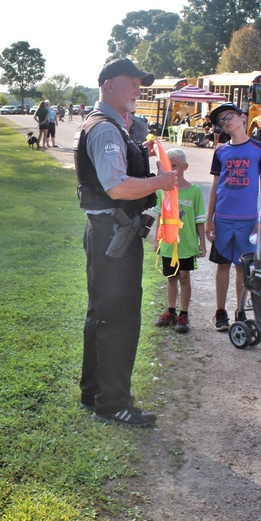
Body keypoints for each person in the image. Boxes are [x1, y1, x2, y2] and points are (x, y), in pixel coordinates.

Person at [75, 58, 178, 427]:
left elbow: (117, 175)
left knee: (102, 315)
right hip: (113, 237)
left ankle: (94, 392)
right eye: (132, 82)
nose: (139, 89)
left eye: (140, 83)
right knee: (118, 319)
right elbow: (117, 187)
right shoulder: (105, 129)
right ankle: (112, 402)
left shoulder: (114, 127)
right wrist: (160, 181)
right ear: (108, 86)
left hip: (110, 234)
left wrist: (143, 162)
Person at [205, 102, 261, 332]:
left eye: (230, 116)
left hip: (248, 220)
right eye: (222, 121)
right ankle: (220, 311)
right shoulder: (221, 151)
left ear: (243, 117)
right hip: (222, 218)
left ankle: (240, 310)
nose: (226, 122)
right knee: (222, 265)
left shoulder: (259, 149)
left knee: (242, 267)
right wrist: (209, 218)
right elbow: (215, 186)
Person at [153, 147, 206, 333]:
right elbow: (160, 216)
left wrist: (202, 243)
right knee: (171, 277)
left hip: (187, 244)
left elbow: (199, 219)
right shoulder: (163, 190)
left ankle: (183, 314)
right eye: (168, 165)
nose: (171, 169)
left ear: (185, 167)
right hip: (168, 243)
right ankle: (171, 311)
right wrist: (156, 238)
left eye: (174, 165)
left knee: (184, 277)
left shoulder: (194, 191)